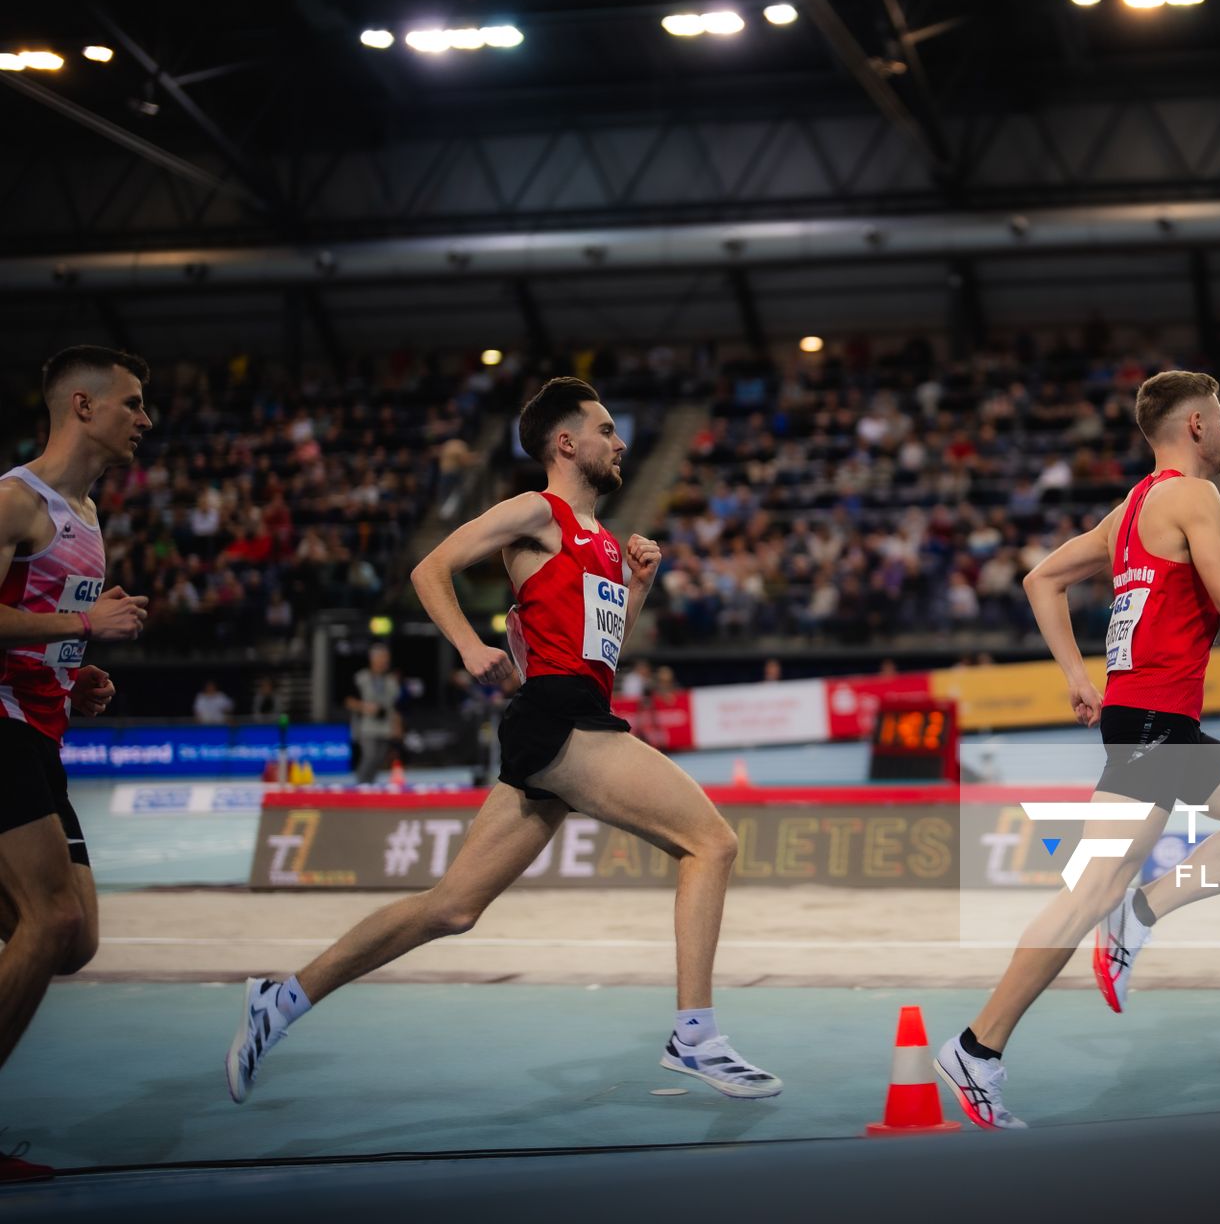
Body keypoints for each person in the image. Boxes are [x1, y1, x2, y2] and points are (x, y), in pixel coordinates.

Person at [224, 376, 778, 1104]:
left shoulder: (606, 545)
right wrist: (465, 644)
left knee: (451, 907)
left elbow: (600, 656)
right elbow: (430, 569)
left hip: (569, 716)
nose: (621, 443)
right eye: (607, 430)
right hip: (557, 720)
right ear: (565, 442)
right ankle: (695, 1036)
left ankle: (283, 998)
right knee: (712, 843)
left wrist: (636, 587)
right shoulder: (535, 512)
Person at [935, 369, 1220, 1131]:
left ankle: (1124, 926)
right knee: (1102, 890)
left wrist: (1080, 680)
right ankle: (980, 1045)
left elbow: (1039, 579)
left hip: (1146, 720)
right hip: (1154, 723)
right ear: (1196, 428)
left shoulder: (1132, 509)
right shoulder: (1192, 496)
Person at [0, 348, 151, 1181]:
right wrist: (84, 626)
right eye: (133, 403)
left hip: (41, 733)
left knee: (76, 938)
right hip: (1, 728)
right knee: (49, 919)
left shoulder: (87, 516)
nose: (146, 419)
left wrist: (74, 669)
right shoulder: (16, 499)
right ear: (83, 407)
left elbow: (44, 623)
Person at [345, 644, 403, 783]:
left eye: (386, 658)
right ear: (373, 659)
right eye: (381, 657)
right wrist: (366, 707)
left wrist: (397, 725)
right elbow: (348, 701)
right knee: (370, 756)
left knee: (379, 759)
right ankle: (361, 785)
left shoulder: (391, 680)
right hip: (367, 726)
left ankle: (369, 785)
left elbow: (395, 706)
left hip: (385, 726)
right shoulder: (360, 678)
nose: (384, 661)